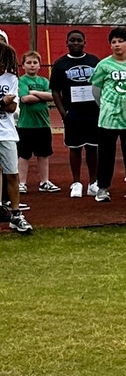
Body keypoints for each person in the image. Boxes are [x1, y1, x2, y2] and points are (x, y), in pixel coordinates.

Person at [90, 27, 126, 203]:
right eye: (114, 42)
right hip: (109, 118)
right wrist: (105, 106)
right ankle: (103, 187)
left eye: (120, 41)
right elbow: (96, 90)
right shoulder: (103, 65)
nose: (117, 45)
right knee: (106, 153)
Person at [49, 29, 100, 197]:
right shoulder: (60, 64)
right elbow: (55, 90)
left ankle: (93, 182)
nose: (76, 43)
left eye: (79, 40)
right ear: (67, 43)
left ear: (85, 42)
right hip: (73, 113)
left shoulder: (94, 61)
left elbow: (101, 85)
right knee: (75, 148)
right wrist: (63, 113)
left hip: (93, 112)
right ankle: (76, 182)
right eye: (72, 40)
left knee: (93, 147)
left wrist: (101, 107)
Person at [16, 50, 60, 194]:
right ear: (23, 65)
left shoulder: (44, 81)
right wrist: (42, 96)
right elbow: (24, 98)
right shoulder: (21, 81)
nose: (32, 65)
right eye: (29, 62)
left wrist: (33, 92)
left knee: (43, 154)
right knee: (24, 155)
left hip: (43, 124)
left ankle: (44, 181)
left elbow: (51, 96)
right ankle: (22, 182)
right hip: (25, 125)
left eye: (35, 62)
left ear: (40, 65)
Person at [0, 43, 33, 234]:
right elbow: (6, 103)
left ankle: (16, 214)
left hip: (7, 132)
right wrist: (2, 102)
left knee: (12, 173)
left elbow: (12, 107)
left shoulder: (11, 78)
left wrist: (6, 103)